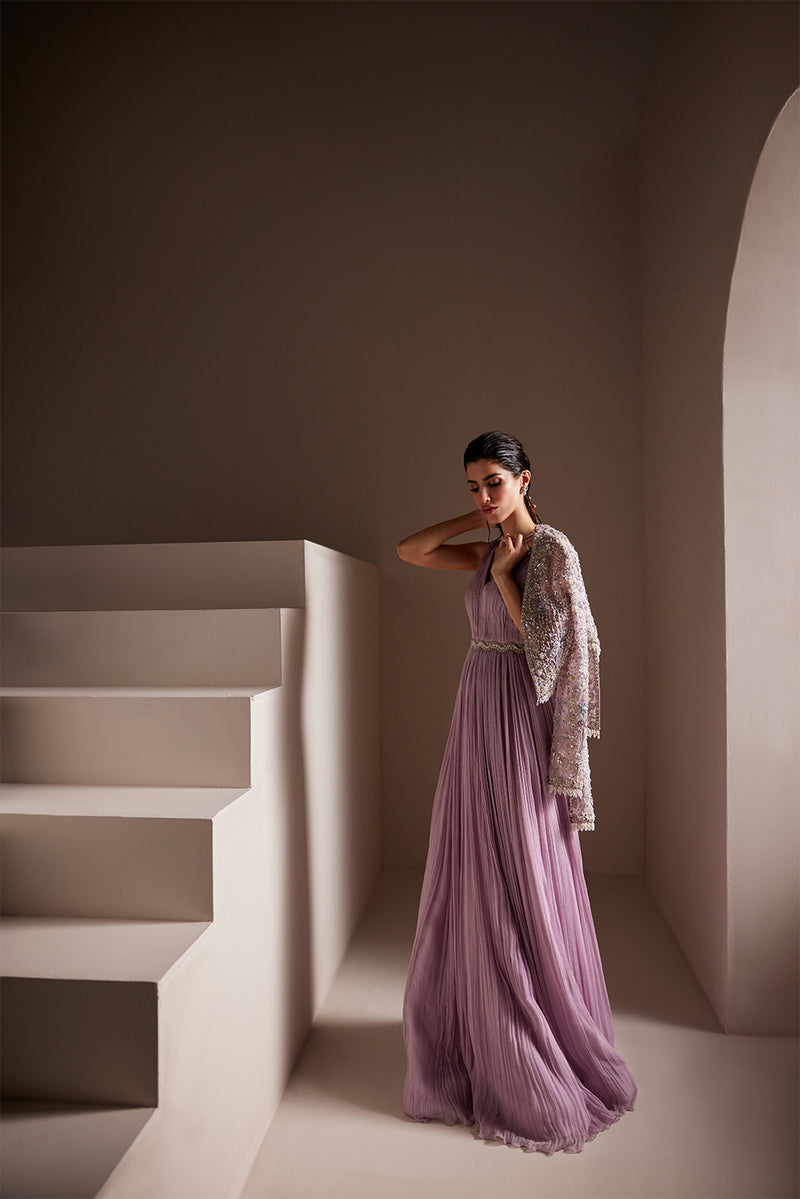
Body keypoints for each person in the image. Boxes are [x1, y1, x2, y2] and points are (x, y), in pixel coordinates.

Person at [397, 430, 636, 1154]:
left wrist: (505, 572)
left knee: (525, 859)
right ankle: (478, 1016)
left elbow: (549, 656)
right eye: (473, 485)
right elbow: (412, 549)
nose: (483, 495)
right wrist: (483, 524)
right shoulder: (485, 542)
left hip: (520, 718)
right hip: (477, 708)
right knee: (473, 854)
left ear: (526, 479)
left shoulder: (553, 552)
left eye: (494, 483)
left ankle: (530, 1029)